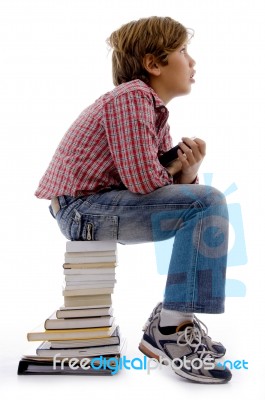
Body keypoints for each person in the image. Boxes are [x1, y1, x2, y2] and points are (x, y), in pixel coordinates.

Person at [35, 16, 231, 383]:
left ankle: (173, 319)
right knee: (208, 202)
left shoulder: (154, 112)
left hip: (98, 205)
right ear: (153, 64)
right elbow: (145, 182)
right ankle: (171, 329)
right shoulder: (133, 96)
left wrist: (187, 172)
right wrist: (180, 176)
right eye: (184, 52)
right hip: (84, 209)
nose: (193, 63)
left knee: (204, 201)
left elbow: (158, 184)